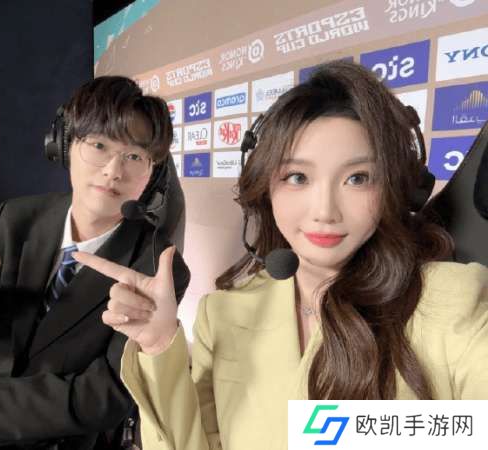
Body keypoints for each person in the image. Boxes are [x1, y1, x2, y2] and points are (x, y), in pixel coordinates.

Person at [74, 61, 488, 450]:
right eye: (298, 177)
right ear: (266, 186)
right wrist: (159, 343)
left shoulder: (452, 301)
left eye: (358, 178)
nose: (324, 211)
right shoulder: (225, 313)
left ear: (397, 188)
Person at [0, 76, 190, 450]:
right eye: (99, 145)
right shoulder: (16, 218)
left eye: (134, 156)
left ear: (153, 173)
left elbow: (104, 396)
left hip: (38, 438)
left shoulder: (159, 267)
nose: (113, 170)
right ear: (65, 145)